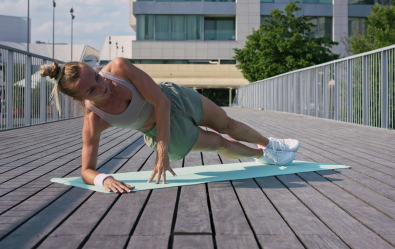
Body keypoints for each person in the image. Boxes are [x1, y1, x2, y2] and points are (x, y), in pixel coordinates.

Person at [39, 57, 300, 194]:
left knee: (226, 124)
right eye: (92, 89)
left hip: (173, 99)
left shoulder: (118, 67)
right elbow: (86, 170)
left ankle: (271, 144)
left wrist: (161, 154)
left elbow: (161, 102)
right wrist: (103, 179)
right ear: (79, 98)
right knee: (218, 143)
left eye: (97, 76)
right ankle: (263, 155)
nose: (103, 86)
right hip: (161, 130)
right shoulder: (93, 121)